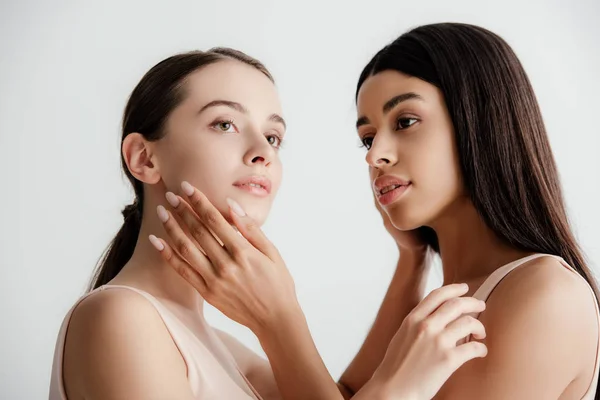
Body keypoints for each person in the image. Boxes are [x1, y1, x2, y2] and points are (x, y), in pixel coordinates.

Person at [159, 23, 600, 399]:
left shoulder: (545, 295)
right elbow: (347, 395)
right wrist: (411, 262)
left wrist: (278, 321)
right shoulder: (458, 297)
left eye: (405, 122)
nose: (375, 156)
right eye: (368, 138)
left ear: (480, 120)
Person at [49, 47, 487, 400]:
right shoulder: (119, 317)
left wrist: (410, 260)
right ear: (144, 158)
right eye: (225, 124)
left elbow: (342, 396)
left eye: (274, 136)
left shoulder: (221, 347)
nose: (264, 151)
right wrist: (401, 390)